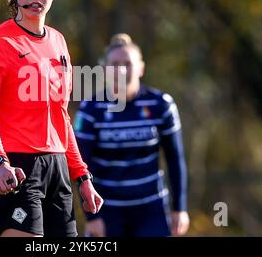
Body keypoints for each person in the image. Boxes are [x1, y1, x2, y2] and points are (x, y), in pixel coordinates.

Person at [0, 0, 103, 237]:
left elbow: (62, 118)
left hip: (57, 169)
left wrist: (82, 176)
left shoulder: (58, 41)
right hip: (16, 167)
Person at [74, 33, 190, 237]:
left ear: (141, 68)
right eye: (115, 64)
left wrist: (180, 208)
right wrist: (92, 217)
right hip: (106, 209)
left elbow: (175, 159)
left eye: (127, 63)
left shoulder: (161, 105)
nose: (120, 70)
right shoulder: (90, 109)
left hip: (151, 208)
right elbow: (81, 167)